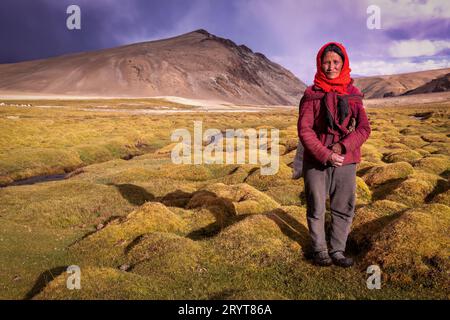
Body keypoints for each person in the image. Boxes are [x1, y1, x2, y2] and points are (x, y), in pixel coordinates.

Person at [297, 42, 371, 267]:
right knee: (316, 206)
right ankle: (320, 250)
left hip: (346, 160)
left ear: (343, 63)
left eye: (335, 62)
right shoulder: (311, 94)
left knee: (343, 206)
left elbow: (364, 128)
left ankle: (337, 250)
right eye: (326, 62)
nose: (330, 67)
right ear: (320, 63)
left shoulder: (353, 94)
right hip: (316, 159)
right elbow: (304, 129)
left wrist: (341, 148)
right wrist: (325, 154)